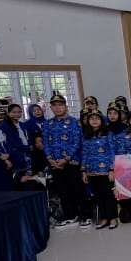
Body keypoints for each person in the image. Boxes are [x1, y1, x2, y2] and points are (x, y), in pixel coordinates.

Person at [43, 95, 89, 228]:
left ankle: (85, 216)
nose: (57, 107)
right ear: (51, 108)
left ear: (66, 107)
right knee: (63, 191)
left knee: (77, 189)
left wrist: (66, 158)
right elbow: (46, 143)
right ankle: (70, 215)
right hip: (55, 164)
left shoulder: (74, 122)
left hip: (71, 163)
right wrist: (50, 159)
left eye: (60, 105)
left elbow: (77, 143)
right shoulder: (48, 124)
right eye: (54, 105)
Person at [80, 110, 118, 229]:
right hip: (91, 171)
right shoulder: (86, 135)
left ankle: (112, 218)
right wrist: (83, 171)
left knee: (109, 195)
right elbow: (84, 154)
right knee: (98, 195)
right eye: (92, 119)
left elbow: (113, 152)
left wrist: (112, 169)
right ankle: (104, 217)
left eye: (97, 118)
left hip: (106, 170)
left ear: (101, 120)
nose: (95, 121)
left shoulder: (108, 134)